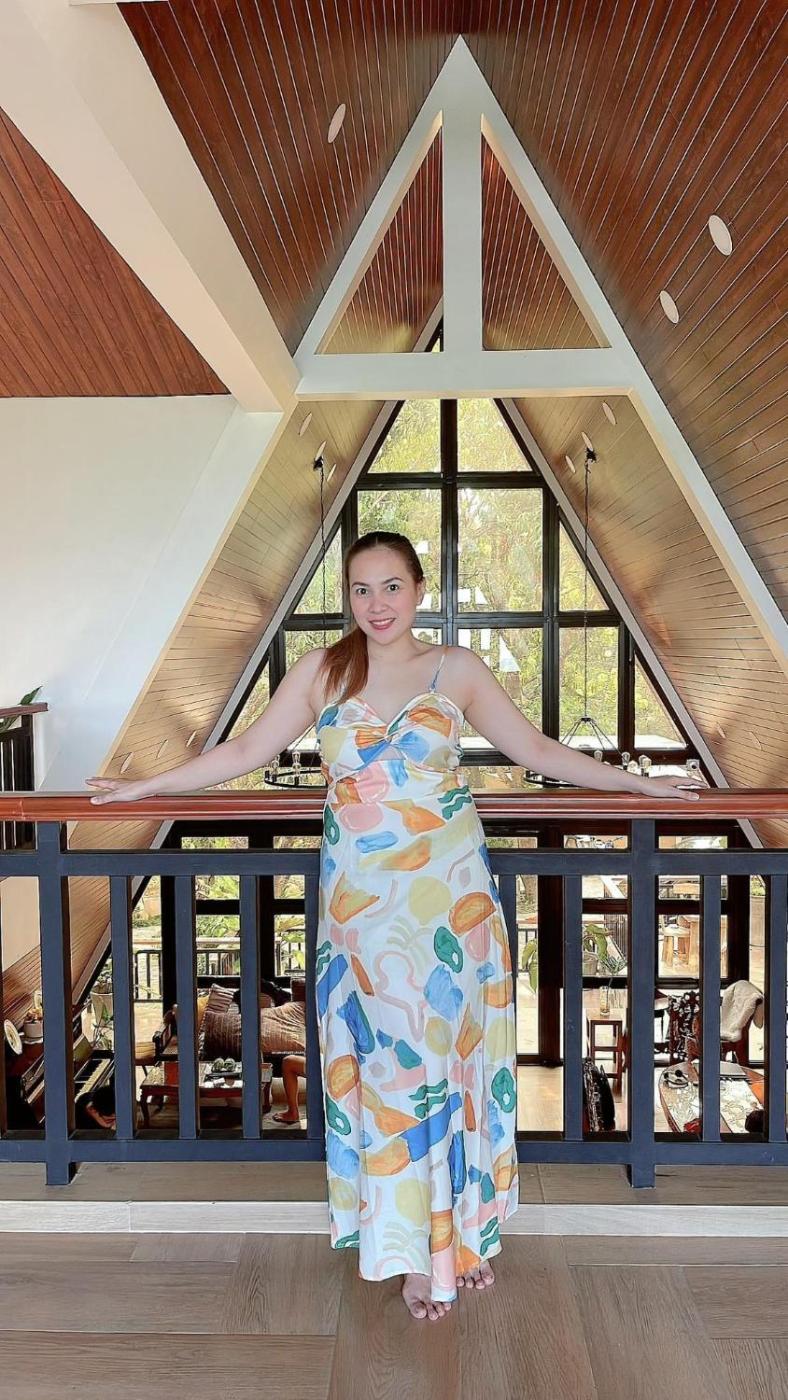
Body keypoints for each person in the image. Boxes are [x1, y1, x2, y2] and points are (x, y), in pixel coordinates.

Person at [86, 529, 703, 1322]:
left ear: (418, 590)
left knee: (450, 1066)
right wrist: (146, 789)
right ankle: (413, 1249)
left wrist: (640, 787)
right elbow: (244, 749)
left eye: (391, 587)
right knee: (386, 1076)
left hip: (451, 902)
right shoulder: (323, 671)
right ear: (347, 596)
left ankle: (460, 1239)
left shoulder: (457, 669)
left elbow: (538, 750)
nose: (376, 604)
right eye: (361, 589)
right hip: (363, 913)